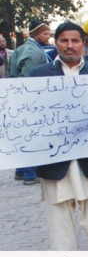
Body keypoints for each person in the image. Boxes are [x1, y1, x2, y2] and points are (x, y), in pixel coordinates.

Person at [28, 22, 88, 250]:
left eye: (75, 41)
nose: (69, 46)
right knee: (60, 231)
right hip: (55, 163)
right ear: (55, 42)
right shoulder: (37, 76)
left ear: (83, 44)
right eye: (64, 41)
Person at [8, 20, 53, 185]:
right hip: (31, 101)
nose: (48, 37)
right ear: (35, 34)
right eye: (45, 34)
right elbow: (31, 80)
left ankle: (20, 171)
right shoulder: (33, 52)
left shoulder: (21, 49)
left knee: (24, 135)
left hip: (18, 98)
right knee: (34, 136)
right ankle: (30, 174)